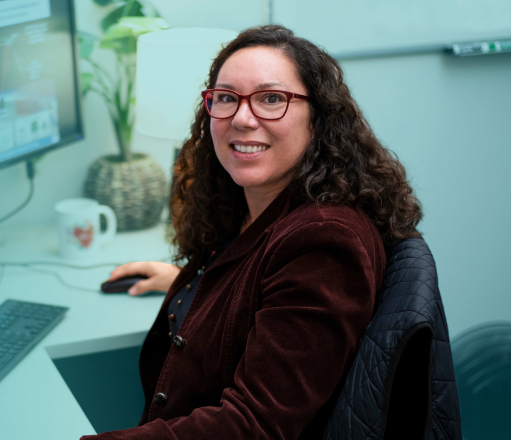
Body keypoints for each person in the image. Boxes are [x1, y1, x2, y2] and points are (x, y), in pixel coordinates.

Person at [82, 25, 422, 439]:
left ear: (318, 118)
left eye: (272, 99)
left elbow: (253, 425)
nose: (242, 118)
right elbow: (267, 289)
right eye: (226, 98)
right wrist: (199, 285)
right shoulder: (252, 204)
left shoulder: (324, 243)